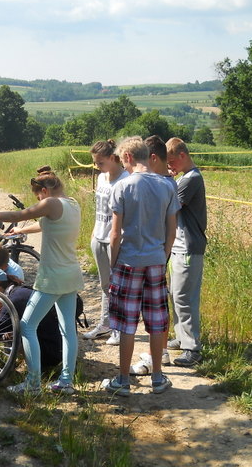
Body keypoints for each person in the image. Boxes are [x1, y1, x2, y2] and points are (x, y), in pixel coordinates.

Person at [0, 166, 84, 395]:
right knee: (68, 329)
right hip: (71, 275)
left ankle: (33, 382)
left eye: (38, 196)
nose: (39, 200)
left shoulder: (51, 203)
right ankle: (66, 381)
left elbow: (17, 215)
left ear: (45, 191)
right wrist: (18, 232)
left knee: (27, 325)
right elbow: (45, 224)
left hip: (52, 278)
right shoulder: (72, 204)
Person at [100, 136, 179, 396]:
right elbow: (171, 231)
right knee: (156, 320)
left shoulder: (122, 186)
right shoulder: (167, 185)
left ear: (128, 157)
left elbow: (115, 234)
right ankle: (157, 377)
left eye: (123, 161)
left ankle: (123, 381)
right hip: (156, 260)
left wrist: (113, 264)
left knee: (126, 322)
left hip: (128, 261)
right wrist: (162, 257)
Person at [130, 135, 178, 375]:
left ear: (153, 158)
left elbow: (170, 227)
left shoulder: (165, 183)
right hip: (158, 252)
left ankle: (154, 356)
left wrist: (164, 253)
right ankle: (160, 352)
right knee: (154, 306)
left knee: (154, 308)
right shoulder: (164, 181)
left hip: (156, 253)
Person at [166, 137, 207, 367]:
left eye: (172, 162)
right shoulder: (183, 178)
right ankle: (181, 337)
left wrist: (166, 181)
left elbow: (170, 207)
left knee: (185, 297)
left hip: (189, 247)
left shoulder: (191, 179)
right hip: (179, 246)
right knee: (175, 293)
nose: (170, 166)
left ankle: (192, 348)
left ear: (182, 155)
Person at [83, 139, 129, 346]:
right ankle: (105, 324)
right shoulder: (101, 178)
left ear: (112, 158)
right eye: (95, 162)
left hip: (116, 239)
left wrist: (117, 238)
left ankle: (119, 328)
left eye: (100, 162)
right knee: (105, 285)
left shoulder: (126, 180)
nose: (97, 166)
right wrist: (95, 233)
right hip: (98, 237)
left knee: (118, 285)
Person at [0, 268, 63, 370]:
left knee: (13, 333)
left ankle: (27, 369)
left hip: (49, 353)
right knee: (11, 332)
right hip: (59, 346)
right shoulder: (20, 291)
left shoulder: (12, 301)